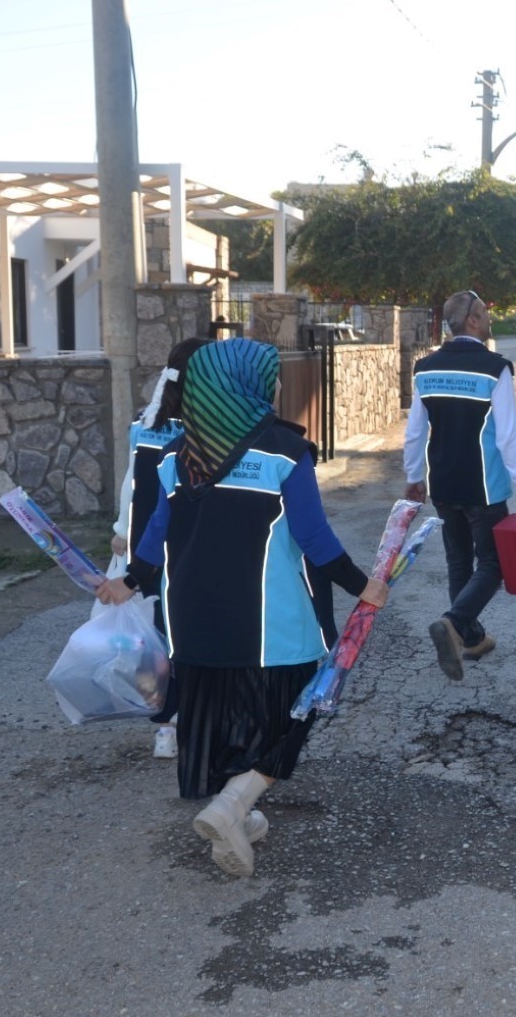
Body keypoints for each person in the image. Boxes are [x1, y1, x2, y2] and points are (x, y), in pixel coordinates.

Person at [96, 338, 388, 878]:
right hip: (271, 628)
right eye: (270, 377)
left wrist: (130, 582)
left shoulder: (174, 456)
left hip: (195, 627)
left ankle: (238, 813)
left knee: (224, 721)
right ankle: (231, 806)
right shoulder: (282, 452)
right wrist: (362, 585)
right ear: (244, 385)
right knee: (295, 714)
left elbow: (156, 530)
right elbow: (314, 537)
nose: (276, 387)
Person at [403, 290, 516, 681]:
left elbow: (415, 433)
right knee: (493, 565)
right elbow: (508, 436)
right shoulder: (494, 368)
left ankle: (471, 637)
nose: (489, 315)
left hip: (444, 484)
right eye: (484, 311)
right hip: (485, 487)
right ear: (473, 322)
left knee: (459, 561)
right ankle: (454, 622)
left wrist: (414, 477)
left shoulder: (425, 368)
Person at [109, 337, 206, 759]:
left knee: (152, 637)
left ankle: (163, 726)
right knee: (181, 632)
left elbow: (131, 483)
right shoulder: (202, 428)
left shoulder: (144, 423)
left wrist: (121, 529)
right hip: (183, 545)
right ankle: (185, 716)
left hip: (144, 548)